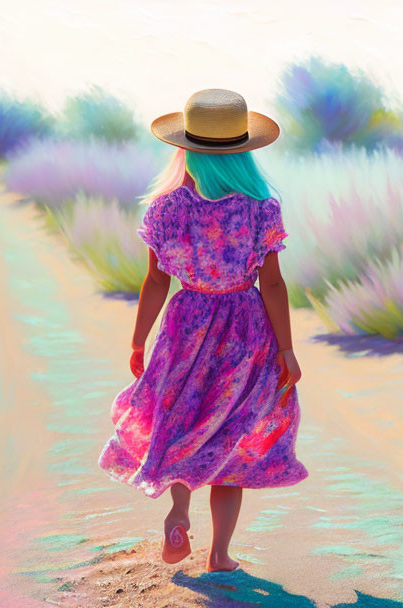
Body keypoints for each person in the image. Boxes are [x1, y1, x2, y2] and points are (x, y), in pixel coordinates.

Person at [97, 88, 309, 573]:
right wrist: (287, 349)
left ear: (186, 149)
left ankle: (177, 511)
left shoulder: (166, 208)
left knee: (181, 421)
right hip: (245, 331)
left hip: (186, 325)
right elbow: (272, 284)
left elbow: (155, 280)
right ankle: (219, 555)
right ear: (243, 154)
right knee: (230, 438)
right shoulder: (261, 209)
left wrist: (138, 338)